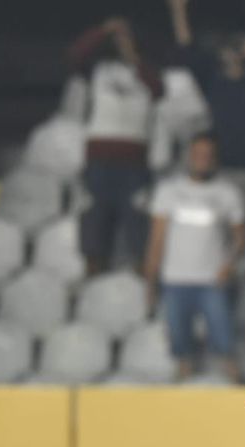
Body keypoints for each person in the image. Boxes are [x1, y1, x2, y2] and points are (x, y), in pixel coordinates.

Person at [167, 0, 245, 236]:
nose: (234, 53)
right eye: (230, 48)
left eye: (237, 48)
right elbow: (187, 50)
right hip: (224, 169)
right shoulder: (214, 82)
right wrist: (179, 10)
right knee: (223, 232)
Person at [145, 133, 245, 382]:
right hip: (175, 279)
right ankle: (183, 386)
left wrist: (229, 265)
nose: (203, 159)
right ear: (190, 156)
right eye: (198, 154)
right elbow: (156, 239)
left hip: (212, 279)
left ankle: (238, 385)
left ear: (215, 158)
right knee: (180, 344)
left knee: (225, 342)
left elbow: (241, 238)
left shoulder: (228, 193)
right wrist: (151, 281)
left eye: (208, 155)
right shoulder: (168, 191)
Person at [69, 17, 165, 275]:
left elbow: (158, 89)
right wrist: (103, 31)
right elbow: (76, 55)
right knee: (94, 217)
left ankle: (142, 276)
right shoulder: (98, 70)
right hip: (98, 159)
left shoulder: (148, 73)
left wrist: (133, 56)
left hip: (134, 163)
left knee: (137, 219)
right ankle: (93, 274)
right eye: (118, 41)